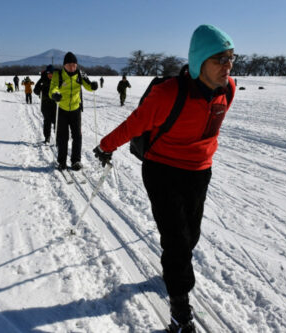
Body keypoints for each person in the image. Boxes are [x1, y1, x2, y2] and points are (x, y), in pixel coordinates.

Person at [93, 24, 236, 332]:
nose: (228, 65)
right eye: (219, 59)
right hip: (163, 170)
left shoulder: (229, 90)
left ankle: (174, 269)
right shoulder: (167, 93)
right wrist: (105, 145)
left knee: (190, 235)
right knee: (177, 241)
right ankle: (180, 314)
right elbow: (133, 124)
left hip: (199, 171)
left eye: (231, 57)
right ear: (199, 61)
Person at [49, 51, 98, 171]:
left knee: (77, 136)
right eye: (70, 65)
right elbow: (52, 89)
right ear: (64, 65)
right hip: (62, 109)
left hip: (76, 110)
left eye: (74, 65)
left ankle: (76, 161)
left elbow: (88, 85)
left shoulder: (81, 74)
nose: (73, 67)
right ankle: (62, 161)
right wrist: (55, 94)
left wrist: (93, 86)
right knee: (62, 137)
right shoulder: (58, 75)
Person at [34, 65, 57, 143]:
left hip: (55, 104)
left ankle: (57, 137)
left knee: (56, 121)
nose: (50, 75)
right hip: (45, 104)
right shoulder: (42, 79)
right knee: (47, 121)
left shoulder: (56, 80)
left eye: (52, 73)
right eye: (49, 73)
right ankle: (47, 137)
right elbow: (35, 90)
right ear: (46, 73)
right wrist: (39, 89)